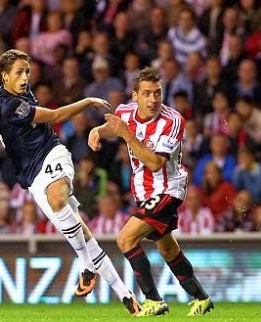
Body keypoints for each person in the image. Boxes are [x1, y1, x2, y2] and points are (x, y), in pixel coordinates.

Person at [0, 49, 138, 315]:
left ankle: (85, 266)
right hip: (32, 177)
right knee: (82, 234)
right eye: (19, 72)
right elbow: (55, 115)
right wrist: (87, 101)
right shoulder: (9, 104)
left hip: (51, 154)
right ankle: (126, 296)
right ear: (5, 76)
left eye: (27, 71)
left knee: (58, 198)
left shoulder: (8, 95)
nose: (25, 77)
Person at [88, 67, 213, 317]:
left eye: (157, 93)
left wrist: (127, 135)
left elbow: (156, 163)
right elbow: (114, 127)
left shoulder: (173, 120)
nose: (153, 99)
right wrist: (98, 131)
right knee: (167, 248)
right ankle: (202, 298)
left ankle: (153, 300)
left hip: (169, 189)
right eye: (146, 94)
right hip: (145, 192)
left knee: (125, 239)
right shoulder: (124, 112)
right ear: (135, 96)